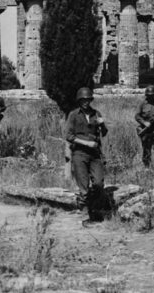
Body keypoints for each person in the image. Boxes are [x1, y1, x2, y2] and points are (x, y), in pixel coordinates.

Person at [65, 87, 108, 226]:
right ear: (79, 100)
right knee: (84, 187)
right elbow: (69, 136)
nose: (85, 102)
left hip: (95, 154)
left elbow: (104, 133)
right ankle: (87, 215)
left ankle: (95, 209)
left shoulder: (96, 113)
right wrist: (86, 143)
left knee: (98, 183)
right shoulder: (73, 115)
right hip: (80, 154)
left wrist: (103, 124)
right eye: (83, 100)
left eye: (88, 99)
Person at [135, 86, 154, 167]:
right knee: (146, 149)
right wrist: (144, 122)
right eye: (149, 95)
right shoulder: (142, 104)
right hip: (146, 131)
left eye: (152, 95)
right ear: (146, 95)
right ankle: (147, 167)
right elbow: (137, 116)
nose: (151, 97)